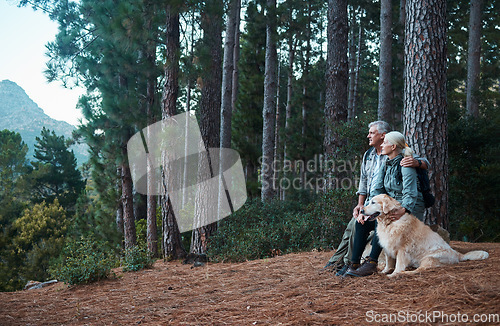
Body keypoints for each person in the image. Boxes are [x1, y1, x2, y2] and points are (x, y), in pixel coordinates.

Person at [325, 123, 428, 276]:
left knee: (381, 223)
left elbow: (410, 194)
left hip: (403, 208)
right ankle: (353, 264)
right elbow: (376, 190)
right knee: (361, 222)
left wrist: (403, 210)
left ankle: (371, 262)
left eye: (385, 142)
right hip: (388, 205)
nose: (382, 144)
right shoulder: (383, 162)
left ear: (393, 146)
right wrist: (366, 209)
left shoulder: (406, 163)